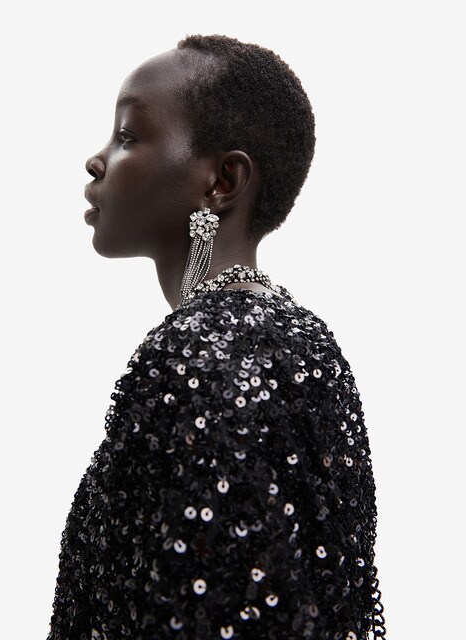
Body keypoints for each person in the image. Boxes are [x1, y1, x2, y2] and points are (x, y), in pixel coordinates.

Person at [47, 34, 386, 640]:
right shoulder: (310, 347)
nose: (97, 160)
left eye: (127, 136)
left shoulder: (194, 357)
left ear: (222, 181)